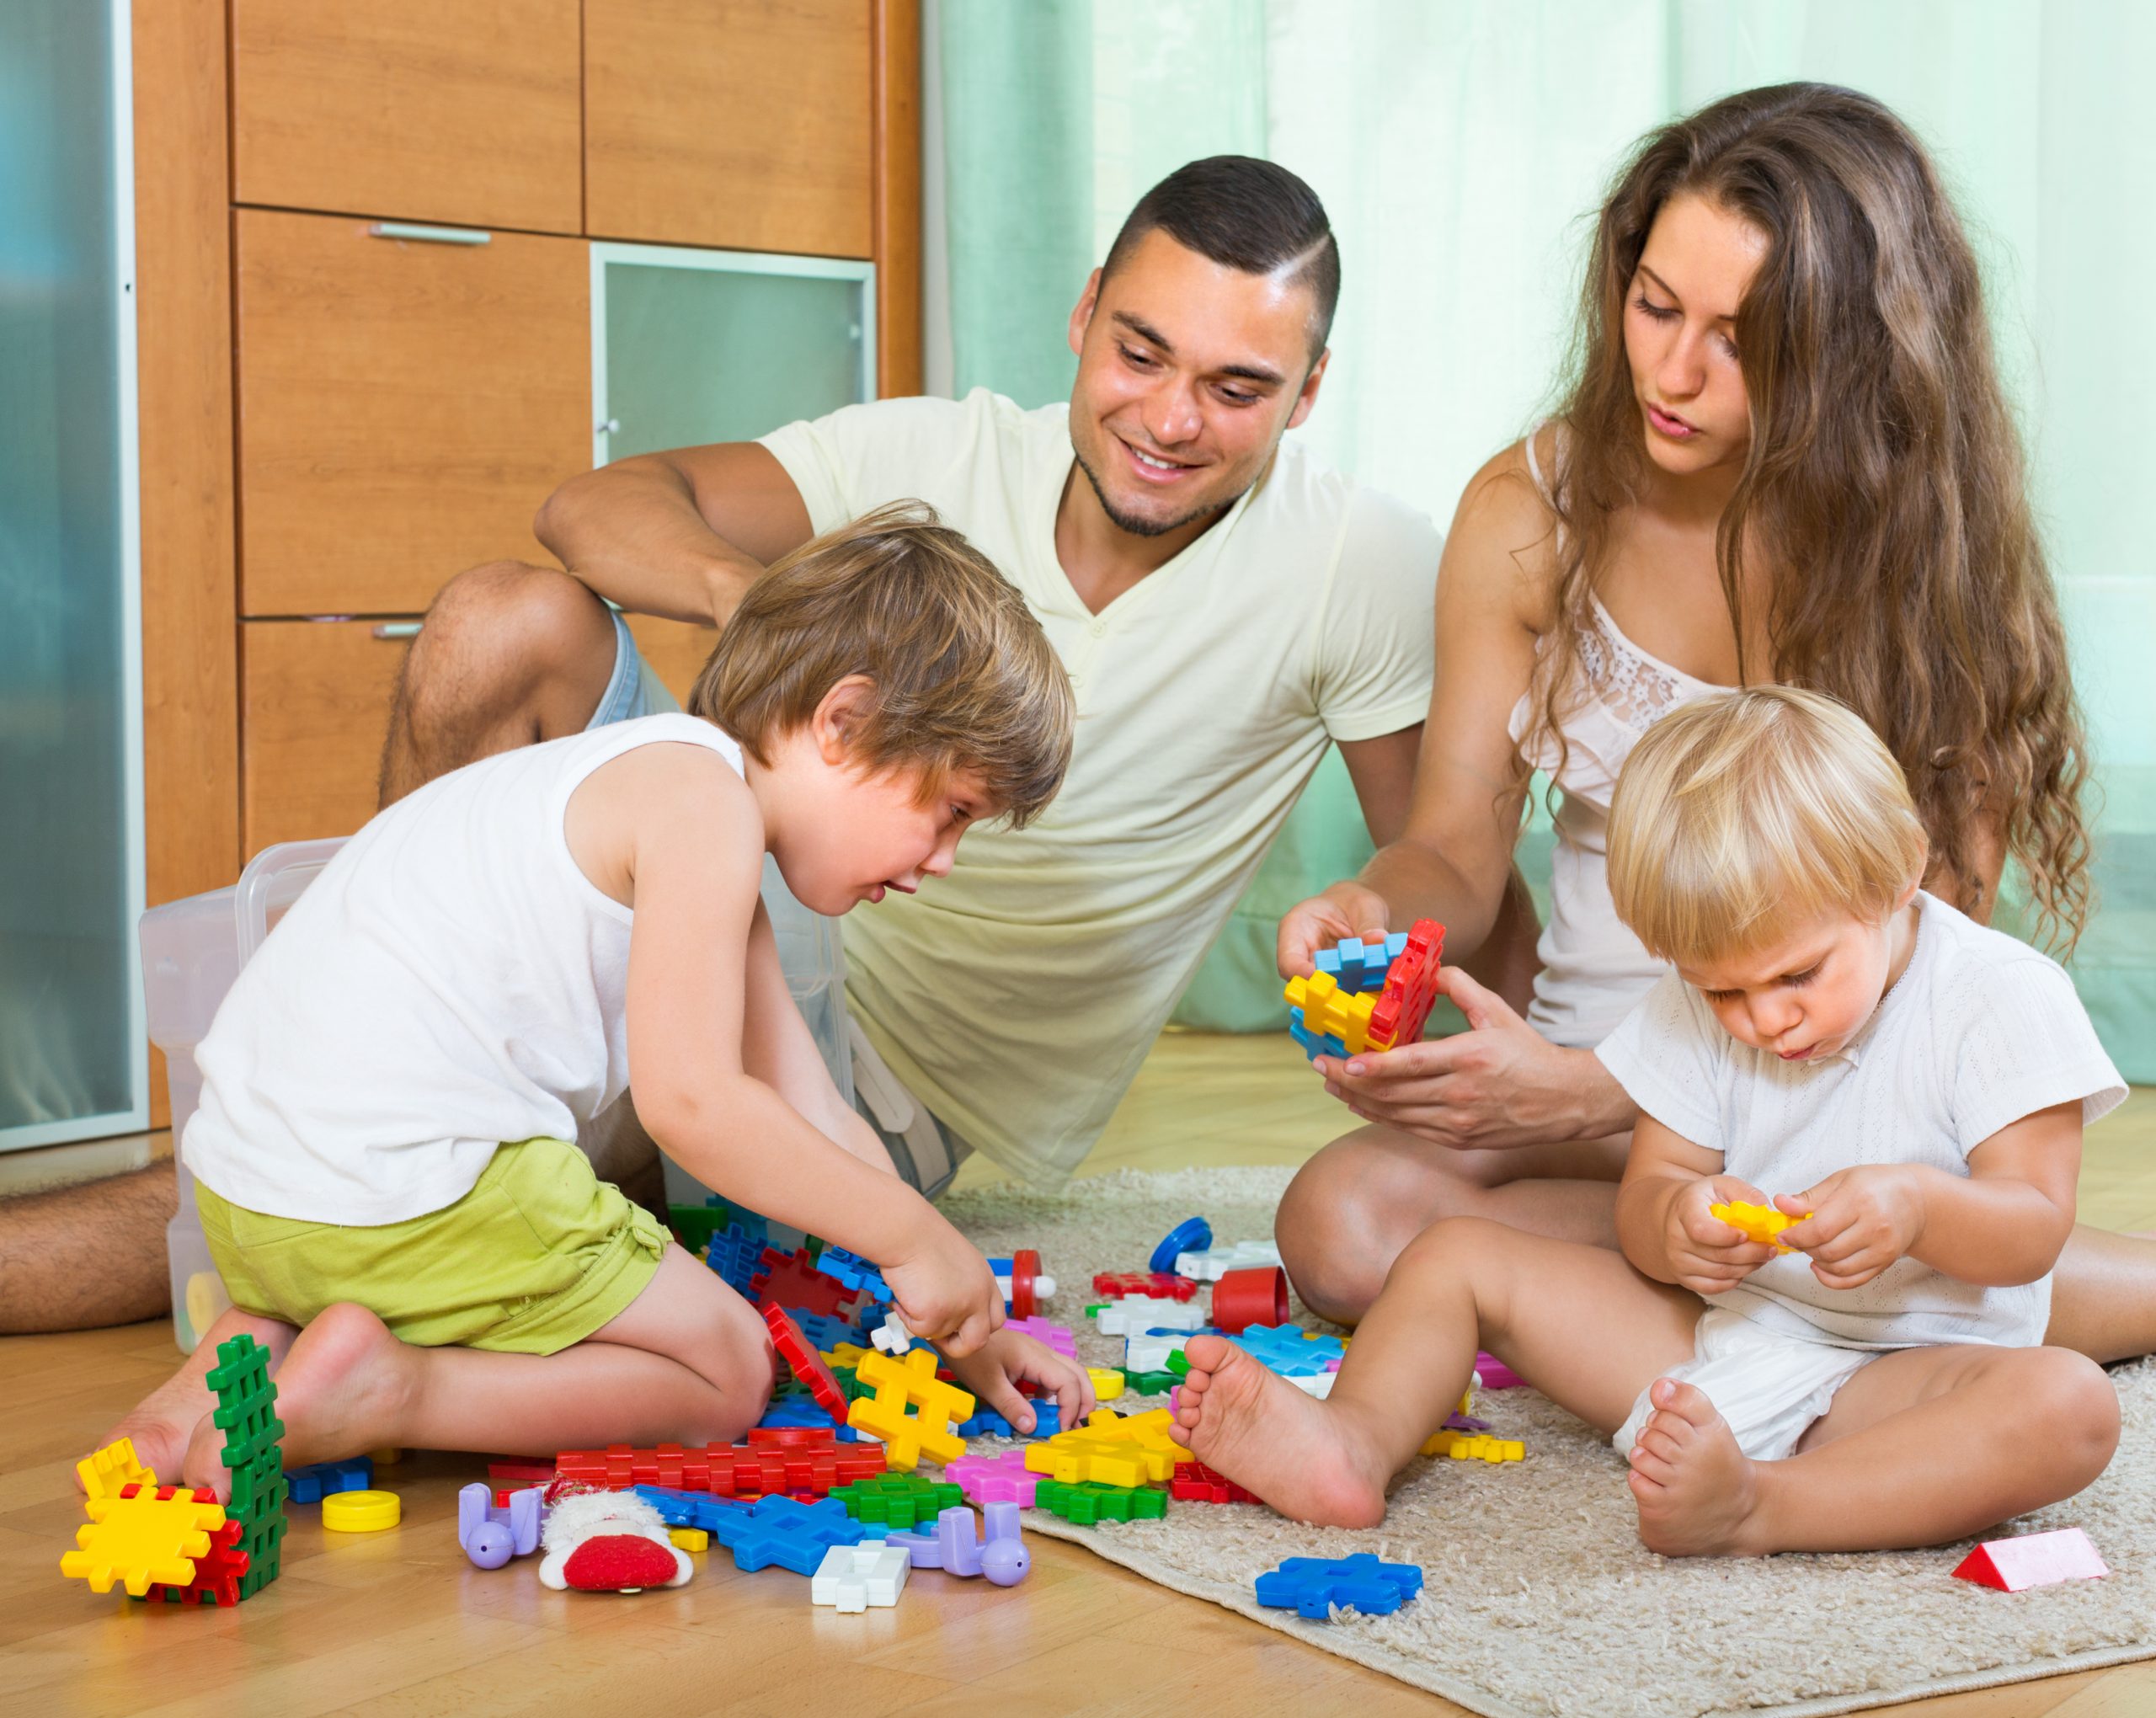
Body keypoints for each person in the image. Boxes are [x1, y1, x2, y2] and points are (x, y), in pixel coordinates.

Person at [4, 153, 1456, 1332]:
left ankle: (401, 1167)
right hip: (730, 881)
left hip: (890, 1083)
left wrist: (1378, 932)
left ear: (1309, 392)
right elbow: (589, 509)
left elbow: (1444, 854)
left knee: (345, 1194)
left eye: (1238, 389)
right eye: (1141, 352)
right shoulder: (931, 456)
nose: (1171, 419)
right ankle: (386, 1078)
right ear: (1083, 315)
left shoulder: (1360, 565)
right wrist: (773, 614)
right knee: (507, 620)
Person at [1269, 83, 2156, 1361]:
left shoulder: (1923, 555)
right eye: (1654, 306)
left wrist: (1607, 1092)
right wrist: (1368, 907)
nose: (1672, 373)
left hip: (1841, 1108)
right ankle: (1816, 1297)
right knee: (1342, 1227)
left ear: (1852, 358)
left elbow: (1933, 939)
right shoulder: (1529, 514)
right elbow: (1454, 850)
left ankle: (1885, 1289)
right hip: (1609, 1121)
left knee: (1829, 1224)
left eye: (1740, 341)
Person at [99, 510, 1096, 1495]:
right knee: (727, 1371)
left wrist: (967, 1327)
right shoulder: (703, 808)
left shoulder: (654, 787)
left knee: (430, 1239)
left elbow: (816, 1112)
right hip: (397, 1193)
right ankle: (393, 1389)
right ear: (843, 722)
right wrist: (917, 1237)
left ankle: (237, 1361)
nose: (944, 860)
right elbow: (692, 1106)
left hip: (250, 1203)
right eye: (951, 811)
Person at [1175, 687, 2125, 1556]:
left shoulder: (2001, 997)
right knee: (1454, 1254)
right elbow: (1647, 1200)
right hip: (1725, 1340)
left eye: (1797, 975)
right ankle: (1352, 1442)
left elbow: (2033, 1229)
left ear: (1897, 873)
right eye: (1723, 992)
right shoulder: (1693, 1005)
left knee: (2067, 1404)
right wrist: (1678, 1224)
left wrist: (1918, 1207)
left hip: (1911, 1375)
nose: (1764, 1020)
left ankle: (1764, 1505)